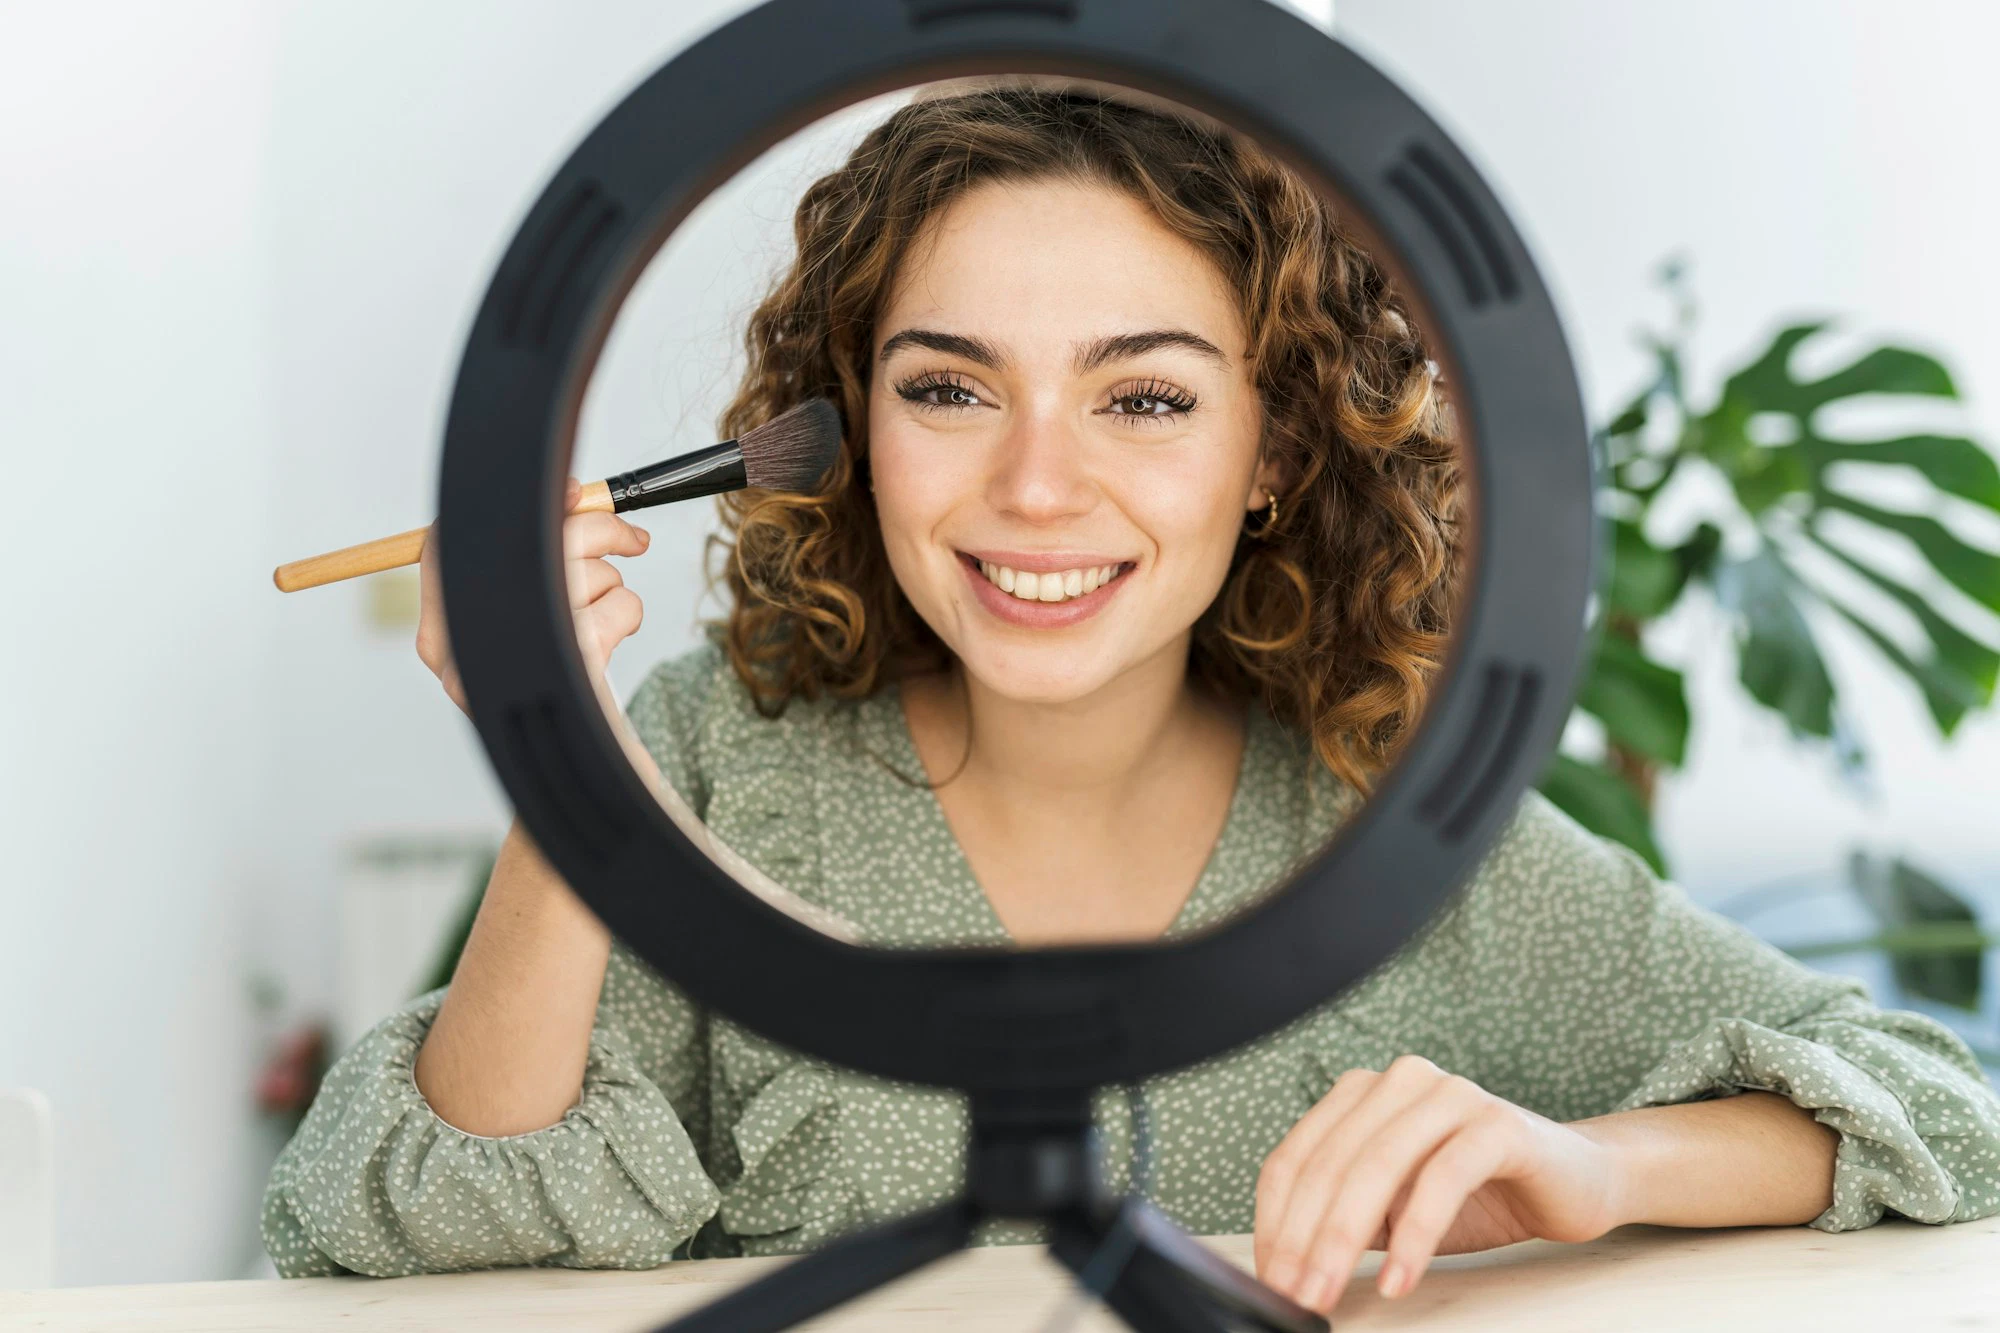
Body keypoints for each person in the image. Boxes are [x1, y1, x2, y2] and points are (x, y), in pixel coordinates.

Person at [261, 81, 2000, 1317]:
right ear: (852, 433)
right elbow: (418, 1235)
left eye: (1145, 401)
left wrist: (1597, 1169)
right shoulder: (722, 760)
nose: (1035, 488)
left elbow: (1937, 1107)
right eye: (950, 390)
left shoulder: (1385, 834)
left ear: (1273, 451)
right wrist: (558, 741)